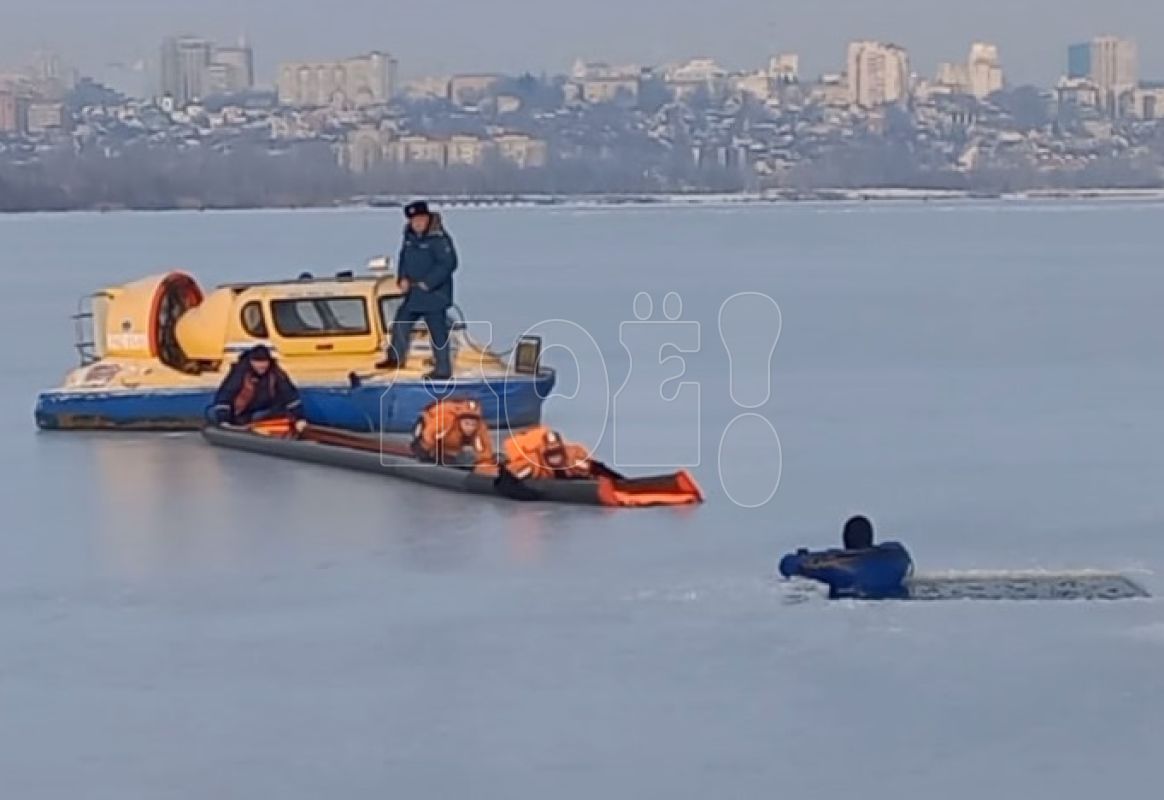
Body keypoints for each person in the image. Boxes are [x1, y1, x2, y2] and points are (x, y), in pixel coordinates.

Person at [375, 200, 458, 379]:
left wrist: (429, 282)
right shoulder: (409, 238)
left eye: (421, 219)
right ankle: (395, 357)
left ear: (428, 218)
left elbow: (448, 263)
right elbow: (404, 259)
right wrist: (402, 278)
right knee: (400, 323)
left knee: (438, 333)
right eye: (414, 220)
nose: (417, 224)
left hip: (434, 295)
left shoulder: (439, 239)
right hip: (413, 294)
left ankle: (443, 369)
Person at [778, 515, 914, 600]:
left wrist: (806, 559)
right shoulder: (894, 557)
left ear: (845, 539)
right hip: (893, 595)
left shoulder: (838, 567)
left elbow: (787, 564)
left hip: (850, 595)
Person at [208, 345, 303, 426]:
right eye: (257, 362)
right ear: (251, 361)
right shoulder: (240, 373)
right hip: (243, 414)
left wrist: (299, 418)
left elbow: (290, 395)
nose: (262, 365)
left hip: (268, 412)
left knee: (274, 414)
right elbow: (226, 395)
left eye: (264, 362)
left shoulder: (276, 373)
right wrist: (224, 420)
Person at [411, 398, 494, 468]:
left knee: (451, 457)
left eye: (473, 424)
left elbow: (484, 449)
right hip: (427, 425)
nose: (470, 428)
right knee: (423, 452)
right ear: (459, 421)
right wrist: (431, 451)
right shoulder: (446, 421)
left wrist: (484, 463)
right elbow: (429, 435)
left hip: (450, 439)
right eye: (467, 423)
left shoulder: (481, 427)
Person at [496, 426, 595, 481]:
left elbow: (593, 468)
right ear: (544, 452)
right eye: (551, 453)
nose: (555, 457)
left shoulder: (574, 456)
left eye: (557, 451)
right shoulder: (533, 463)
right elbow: (510, 476)